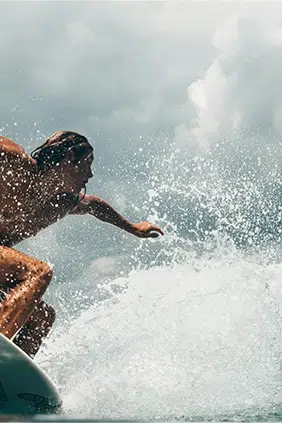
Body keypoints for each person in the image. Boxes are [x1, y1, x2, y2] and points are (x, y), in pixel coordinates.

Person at [0, 130, 164, 358]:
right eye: (87, 164)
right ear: (69, 158)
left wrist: (133, 228)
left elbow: (94, 206)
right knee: (39, 272)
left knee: (43, 318)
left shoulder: (61, 203)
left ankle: (10, 379)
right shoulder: (16, 164)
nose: (90, 174)